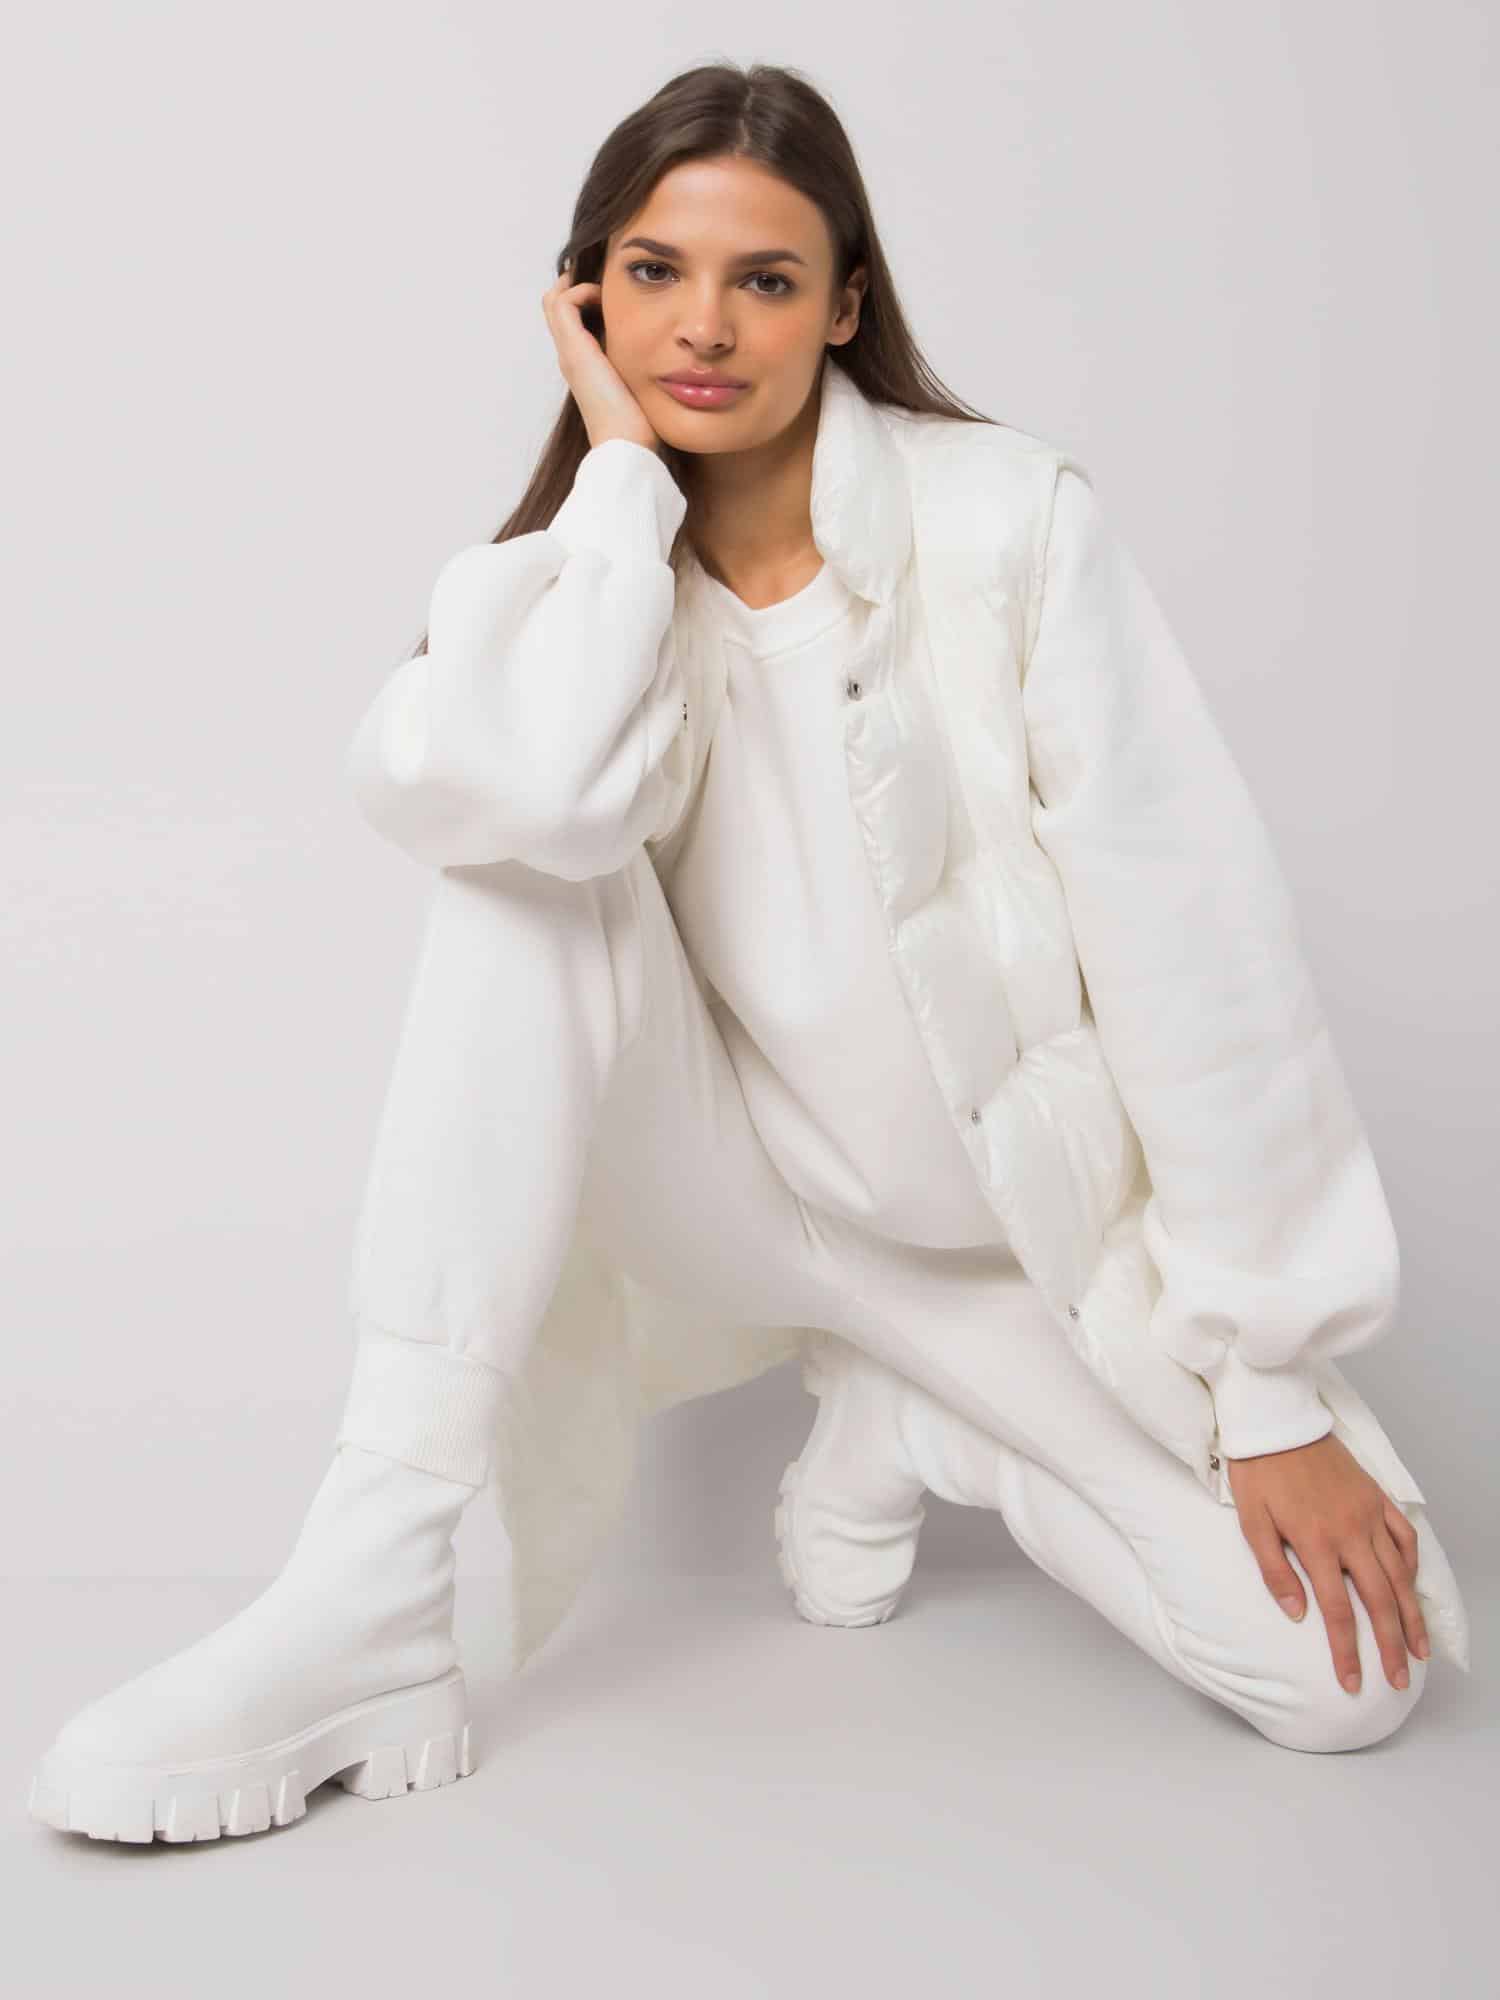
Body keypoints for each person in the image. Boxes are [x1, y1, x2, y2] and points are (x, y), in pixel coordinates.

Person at [29, 61, 1468, 1847]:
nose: (702, 326)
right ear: (586, 297)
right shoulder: (578, 585)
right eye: (653, 273)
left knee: (1344, 1687)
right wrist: (620, 488)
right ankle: (372, 1582)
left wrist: (1265, 1381)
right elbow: (529, 794)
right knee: (522, 864)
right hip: (734, 1189)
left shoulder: (1006, 524)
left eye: (764, 279)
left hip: (1008, 1258)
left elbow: (1203, 949)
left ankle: (918, 1418)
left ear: (845, 304)